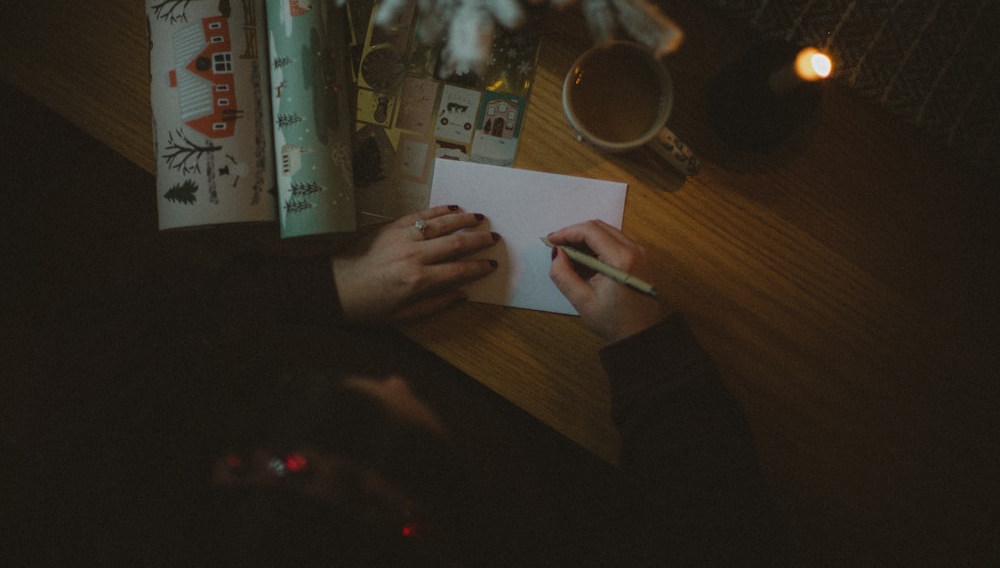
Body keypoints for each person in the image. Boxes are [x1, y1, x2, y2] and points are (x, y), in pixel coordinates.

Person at [40, 205, 784, 565]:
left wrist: (334, 286)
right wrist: (651, 351)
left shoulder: (102, 484)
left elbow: (92, 330)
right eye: (421, 440)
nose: (400, 378)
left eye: (335, 394)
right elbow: (719, 538)